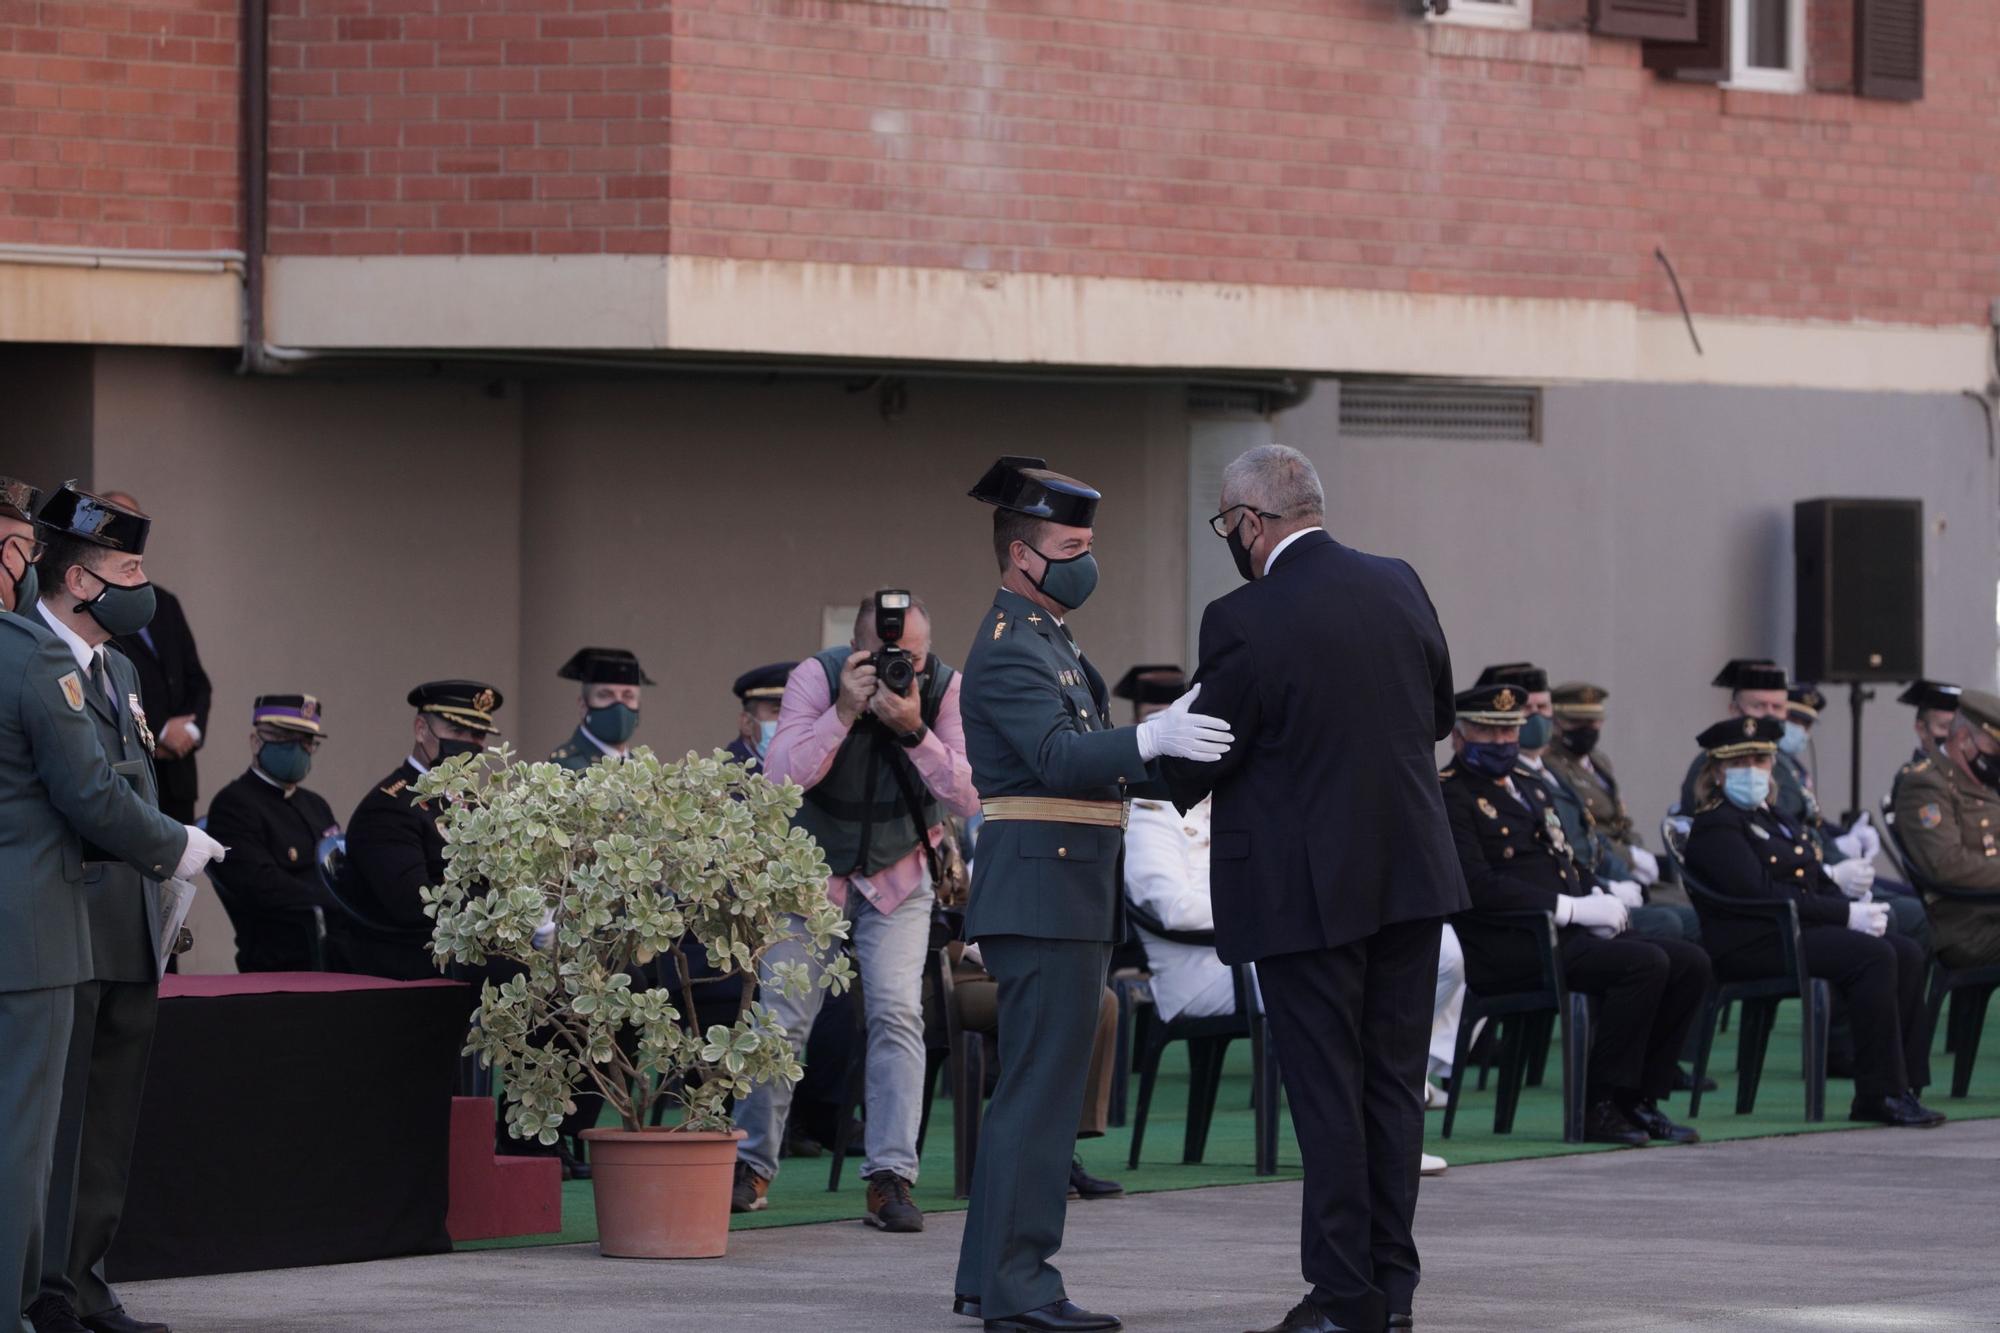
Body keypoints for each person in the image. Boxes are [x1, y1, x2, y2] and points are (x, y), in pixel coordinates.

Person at [1162, 444, 1462, 1333]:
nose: (1230, 539)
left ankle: (1342, 1298)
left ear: (1251, 522)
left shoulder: (1243, 616)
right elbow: (1439, 714)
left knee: (1329, 1094)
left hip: (1307, 892)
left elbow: (1202, 752)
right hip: (1410, 877)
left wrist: (1119, 764)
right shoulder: (1399, 581)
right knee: (1392, 1093)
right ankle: (1391, 1293)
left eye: (1228, 525)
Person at [955, 457, 1231, 1333]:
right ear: (1020, 557)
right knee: (1042, 1097)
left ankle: (985, 1277)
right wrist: (1150, 732)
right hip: (1043, 891)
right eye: (1070, 545)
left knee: (1031, 1092)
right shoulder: (1009, 648)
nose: (1085, 560)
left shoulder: (1048, 636)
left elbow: (1090, 763)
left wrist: (1164, 751)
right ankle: (1022, 1286)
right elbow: (1056, 759)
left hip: (1063, 887)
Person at [3, 477, 221, 1333]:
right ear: (83, 580)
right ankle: (42, 1286)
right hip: (64, 915)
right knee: (47, 1119)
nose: (144, 586)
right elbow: (83, 795)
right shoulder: (28, 654)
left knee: (108, 1115)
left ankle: (85, 1276)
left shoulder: (122, 666)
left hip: (127, 913)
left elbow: (137, 777)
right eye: (128, 566)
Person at [736, 593, 981, 1234]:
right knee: (780, 1018)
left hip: (900, 874)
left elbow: (966, 790)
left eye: (916, 658)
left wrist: (913, 728)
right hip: (810, 875)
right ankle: (750, 1165)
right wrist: (843, 710)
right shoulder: (816, 678)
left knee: (898, 1014)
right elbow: (779, 777)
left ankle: (890, 1177)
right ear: (857, 649)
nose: (905, 668)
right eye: (887, 657)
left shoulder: (946, 687)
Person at [1444, 681, 1709, 1151]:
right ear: (1460, 738)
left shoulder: (1531, 789)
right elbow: (1477, 885)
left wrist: (1601, 897)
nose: (1503, 743)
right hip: (1511, 944)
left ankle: (1640, 1098)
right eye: (1489, 733)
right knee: (1645, 964)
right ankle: (1600, 1104)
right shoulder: (1451, 796)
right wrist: (1570, 909)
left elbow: (1564, 859)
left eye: (1510, 731)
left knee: (1690, 962)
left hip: (1563, 937)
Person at [1683, 717, 1942, 1128]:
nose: (1752, 770)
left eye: (1761, 761)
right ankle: (1878, 1094)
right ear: (1715, 771)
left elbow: (1813, 876)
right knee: (1873, 958)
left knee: (1905, 951)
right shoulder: (1717, 825)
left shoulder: (1777, 817)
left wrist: (1854, 906)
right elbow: (1762, 895)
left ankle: (1906, 1085)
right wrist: (1844, 916)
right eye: (1740, 762)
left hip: (1795, 933)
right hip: (1756, 943)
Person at [334, 680, 502, 981]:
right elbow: (415, 904)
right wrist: (502, 913)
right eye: (456, 731)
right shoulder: (389, 807)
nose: (468, 744)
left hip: (471, 945)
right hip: (415, 959)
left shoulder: (475, 805)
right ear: (421, 729)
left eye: (476, 735)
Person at [202, 695, 342, 973]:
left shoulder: (316, 804)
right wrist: (335, 904)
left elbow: (341, 869)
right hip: (283, 953)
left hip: (336, 940)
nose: (297, 749)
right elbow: (262, 886)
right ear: (255, 742)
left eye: (305, 741)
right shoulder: (234, 804)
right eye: (285, 738)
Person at [97, 493, 211, 828]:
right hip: (130, 766)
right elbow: (106, 683)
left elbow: (197, 681)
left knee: (178, 877)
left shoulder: (163, 602)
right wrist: (158, 732)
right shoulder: (96, 601)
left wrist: (190, 730)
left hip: (178, 773)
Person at [1891, 690, 2000, 968]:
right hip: (1970, 926)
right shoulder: (1927, 785)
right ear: (1964, 740)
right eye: (1995, 749)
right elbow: (1945, 863)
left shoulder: (1984, 781)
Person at [548, 647, 652, 770]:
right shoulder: (566, 765)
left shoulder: (641, 767)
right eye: (606, 695)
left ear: (638, 705)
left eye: (627, 696)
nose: (618, 705)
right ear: (583, 706)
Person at [727, 663, 794, 767]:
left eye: (795, 711)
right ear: (747, 723)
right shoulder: (726, 778)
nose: (790, 720)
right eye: (777, 711)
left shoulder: (812, 770)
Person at [1898, 680, 1961, 762]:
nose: (1953, 733)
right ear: (1921, 730)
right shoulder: (1917, 774)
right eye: (1944, 726)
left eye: (1957, 726)